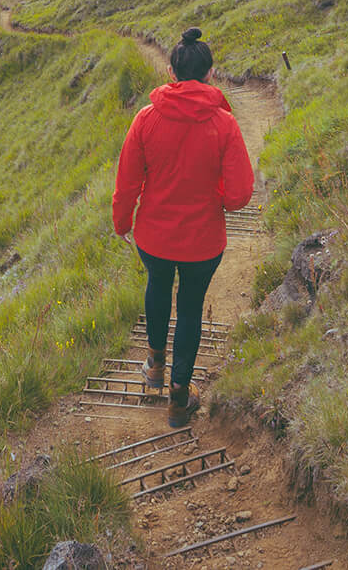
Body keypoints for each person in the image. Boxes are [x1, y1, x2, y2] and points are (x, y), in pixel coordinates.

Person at [111, 27, 254, 424]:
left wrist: (123, 221)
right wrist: (218, 199)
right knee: (190, 308)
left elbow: (127, 181)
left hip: (154, 235)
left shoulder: (146, 118)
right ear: (210, 74)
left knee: (157, 285)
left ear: (171, 73)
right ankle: (178, 399)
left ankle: (154, 364)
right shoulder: (224, 124)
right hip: (203, 241)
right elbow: (241, 194)